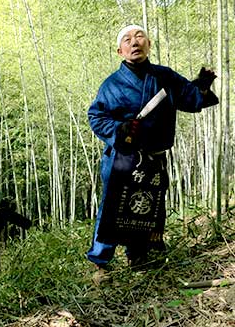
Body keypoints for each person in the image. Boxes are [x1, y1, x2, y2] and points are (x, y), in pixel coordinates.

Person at [86, 24, 218, 281]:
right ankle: (100, 263)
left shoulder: (165, 76)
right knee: (113, 206)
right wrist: (119, 128)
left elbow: (189, 98)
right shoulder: (111, 85)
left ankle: (138, 256)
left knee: (147, 205)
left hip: (154, 157)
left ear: (149, 44)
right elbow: (96, 116)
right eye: (127, 39)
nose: (134, 42)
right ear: (119, 50)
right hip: (121, 157)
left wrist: (201, 86)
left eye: (139, 37)